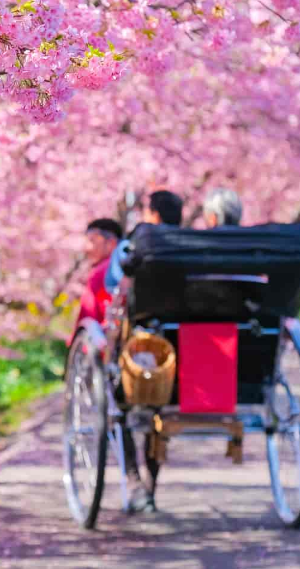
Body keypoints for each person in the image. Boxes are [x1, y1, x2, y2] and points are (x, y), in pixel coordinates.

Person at [104, 189, 184, 514]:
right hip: (185, 347)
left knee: (117, 403)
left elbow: (114, 287)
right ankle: (148, 484)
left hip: (143, 346)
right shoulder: (192, 248)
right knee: (158, 414)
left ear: (153, 215)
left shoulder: (135, 245)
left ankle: (135, 479)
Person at [68, 218, 122, 342]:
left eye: (92, 241)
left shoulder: (101, 271)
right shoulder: (120, 269)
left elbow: (89, 316)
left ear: (112, 243)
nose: (87, 248)